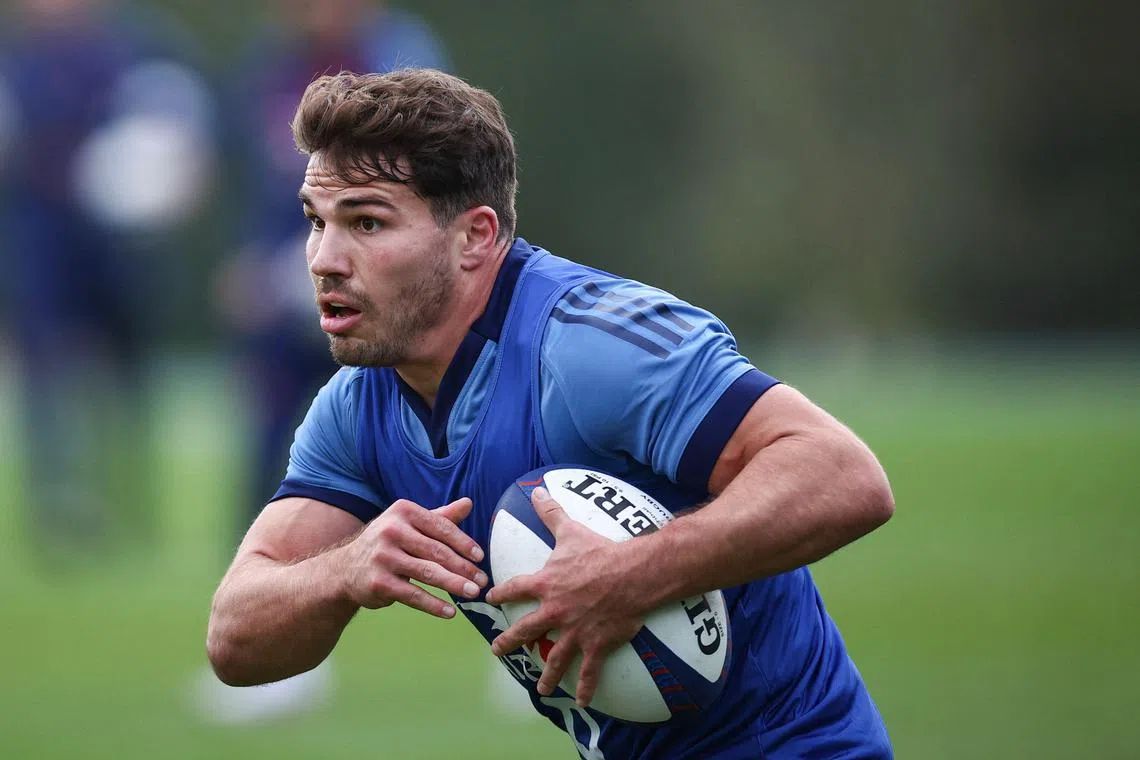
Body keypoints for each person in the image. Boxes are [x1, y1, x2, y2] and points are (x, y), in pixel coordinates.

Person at [206, 69, 896, 758]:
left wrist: (633, 574)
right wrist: (343, 570)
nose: (324, 260)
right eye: (315, 222)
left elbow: (844, 476)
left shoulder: (590, 347)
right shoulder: (357, 409)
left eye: (366, 222)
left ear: (475, 237)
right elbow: (234, 641)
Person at [199, 1, 450, 724]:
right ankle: (272, 644)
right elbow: (262, 186)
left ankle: (534, 609)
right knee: (267, 454)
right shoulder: (267, 67)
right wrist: (254, 265)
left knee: (445, 453)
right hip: (291, 294)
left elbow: (427, 186)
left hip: (381, 295)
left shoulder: (405, 55)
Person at [0, 0, 214, 562]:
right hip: (45, 241)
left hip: (124, 248)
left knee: (131, 376)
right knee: (46, 374)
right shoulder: (20, 61)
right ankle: (58, 512)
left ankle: (132, 504)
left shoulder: (140, 48)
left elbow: (185, 136)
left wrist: (172, 178)